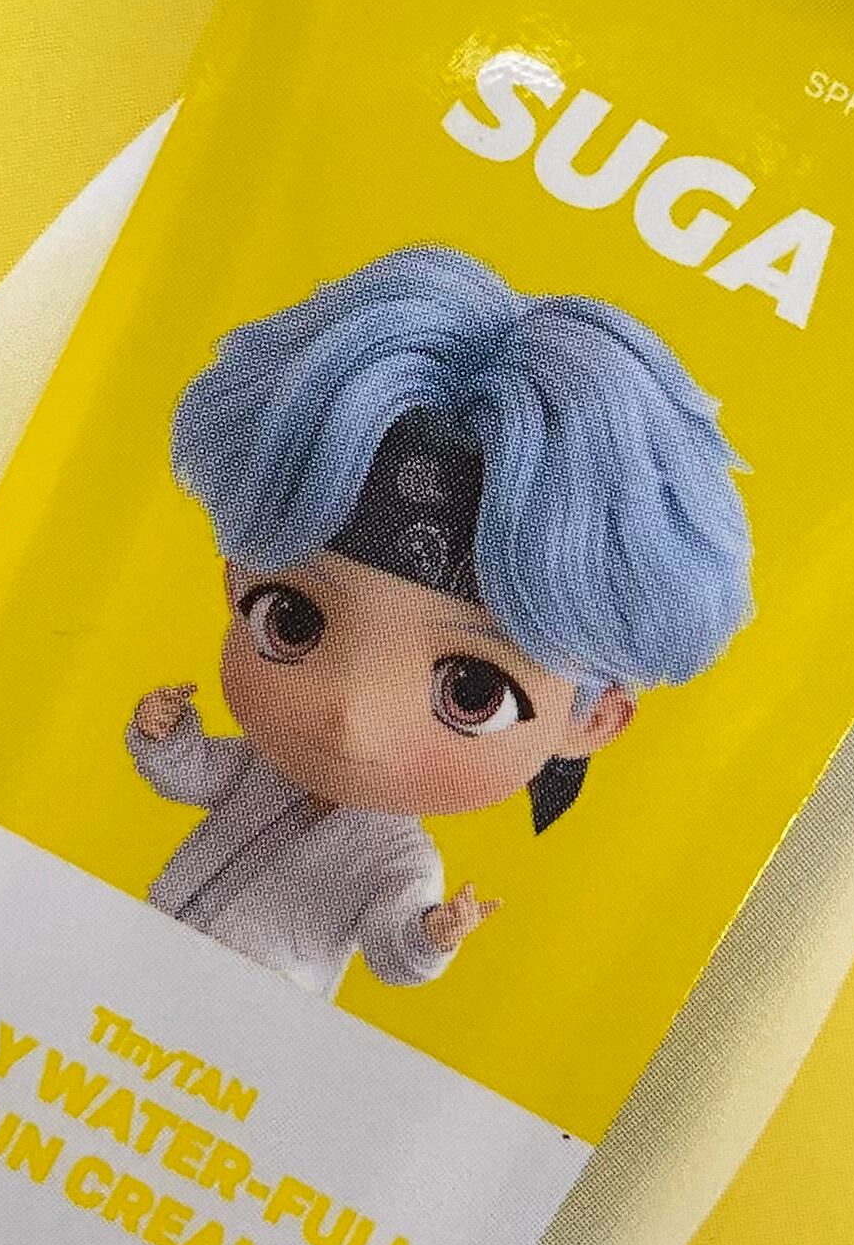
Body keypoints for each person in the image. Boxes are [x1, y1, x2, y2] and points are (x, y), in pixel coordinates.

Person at [128, 244, 754, 999]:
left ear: (590, 721)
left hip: (255, 1011)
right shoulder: (261, 774)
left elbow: (393, 948)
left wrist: (431, 936)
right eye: (292, 621)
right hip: (147, 939)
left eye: (472, 692)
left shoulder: (396, 858)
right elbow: (198, 775)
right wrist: (168, 739)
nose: (352, 716)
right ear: (237, 584)